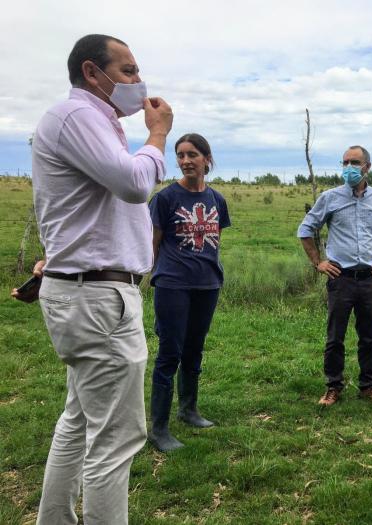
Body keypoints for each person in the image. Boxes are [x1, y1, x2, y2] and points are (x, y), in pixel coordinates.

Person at [11, 34, 172, 524]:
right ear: (91, 72)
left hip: (92, 291)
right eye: (127, 71)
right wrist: (159, 136)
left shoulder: (93, 124)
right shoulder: (77, 116)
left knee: (79, 423)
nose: (137, 81)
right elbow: (133, 183)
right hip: (98, 296)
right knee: (115, 440)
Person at [297, 145, 372, 407]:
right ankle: (333, 387)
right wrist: (318, 262)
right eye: (344, 163)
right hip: (340, 278)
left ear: (367, 166)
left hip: (368, 278)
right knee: (335, 337)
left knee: (369, 337)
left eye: (354, 163)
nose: (348, 168)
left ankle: (369, 386)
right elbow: (305, 229)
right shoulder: (330, 198)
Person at [147, 133, 230, 451]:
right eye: (180, 155)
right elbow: (152, 244)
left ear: (207, 159)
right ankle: (159, 428)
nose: (185, 161)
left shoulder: (217, 200)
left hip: (207, 284)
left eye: (192, 154)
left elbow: (215, 239)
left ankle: (188, 409)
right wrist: (143, 279)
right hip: (172, 285)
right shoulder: (165, 199)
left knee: (194, 349)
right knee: (170, 353)